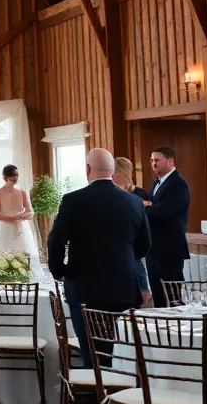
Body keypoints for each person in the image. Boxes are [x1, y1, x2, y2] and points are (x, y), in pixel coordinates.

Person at [46, 148, 151, 369]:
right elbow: (145, 246)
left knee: (92, 352)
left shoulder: (73, 201)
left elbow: (56, 242)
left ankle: (95, 390)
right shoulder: (134, 202)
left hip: (85, 287)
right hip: (124, 287)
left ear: (88, 169)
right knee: (122, 353)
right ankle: (122, 390)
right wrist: (123, 259)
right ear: (113, 171)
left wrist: (59, 272)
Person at [144, 147, 191, 307]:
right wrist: (148, 207)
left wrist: (144, 207)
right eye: (152, 160)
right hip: (154, 247)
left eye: (157, 160)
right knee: (157, 293)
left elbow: (166, 211)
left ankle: (177, 322)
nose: (154, 164)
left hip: (170, 247)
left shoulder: (178, 184)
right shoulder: (155, 183)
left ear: (170, 161)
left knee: (171, 295)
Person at [114, 157, 153, 307]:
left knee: (141, 292)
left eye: (116, 171)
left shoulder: (139, 193)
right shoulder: (111, 195)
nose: (113, 175)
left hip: (134, 247)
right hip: (116, 248)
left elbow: (145, 222)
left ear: (125, 173)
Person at [0, 164, 40, 261]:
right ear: (5, 177)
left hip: (21, 226)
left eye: (17, 175)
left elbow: (30, 212)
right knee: (6, 255)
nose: (15, 178)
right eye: (13, 175)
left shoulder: (22, 192)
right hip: (5, 227)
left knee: (24, 253)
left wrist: (21, 217)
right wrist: (12, 219)